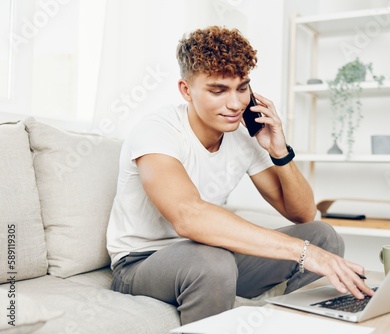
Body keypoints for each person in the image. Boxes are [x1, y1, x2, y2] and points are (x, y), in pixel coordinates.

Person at [106, 25, 373, 325]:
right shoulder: (156, 130)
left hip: (214, 255)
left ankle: (290, 324)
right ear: (186, 90)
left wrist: (279, 149)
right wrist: (301, 252)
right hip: (142, 264)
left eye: (242, 87)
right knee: (213, 261)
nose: (235, 104)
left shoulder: (244, 136)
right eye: (218, 90)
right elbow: (188, 216)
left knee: (323, 237)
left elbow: (303, 214)